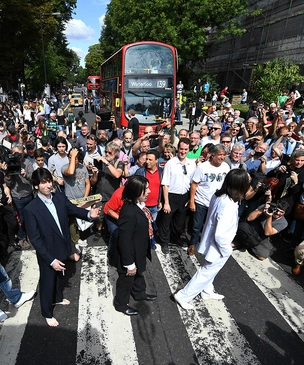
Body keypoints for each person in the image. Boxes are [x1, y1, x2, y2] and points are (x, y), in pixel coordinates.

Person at [24, 168, 101, 327]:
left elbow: (73, 210)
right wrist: (50, 260)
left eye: (49, 181)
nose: (47, 185)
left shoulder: (59, 197)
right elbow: (35, 239)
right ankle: (47, 312)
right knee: (47, 282)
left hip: (62, 246)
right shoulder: (30, 209)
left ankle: (57, 298)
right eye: (43, 182)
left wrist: (89, 215)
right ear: (36, 185)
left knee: (60, 276)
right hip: (47, 253)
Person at [174, 169, 249, 309]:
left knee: (210, 270)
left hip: (211, 240)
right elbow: (220, 234)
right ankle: (183, 295)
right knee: (206, 271)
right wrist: (226, 249)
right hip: (219, 245)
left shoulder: (219, 195)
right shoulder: (229, 205)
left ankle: (207, 291)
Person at [113, 176, 157, 316]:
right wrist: (129, 263)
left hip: (139, 250)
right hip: (130, 254)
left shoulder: (139, 206)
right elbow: (124, 240)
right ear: (136, 192)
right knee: (126, 280)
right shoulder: (129, 212)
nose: (149, 191)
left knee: (138, 274)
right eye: (146, 189)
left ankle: (139, 293)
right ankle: (121, 304)